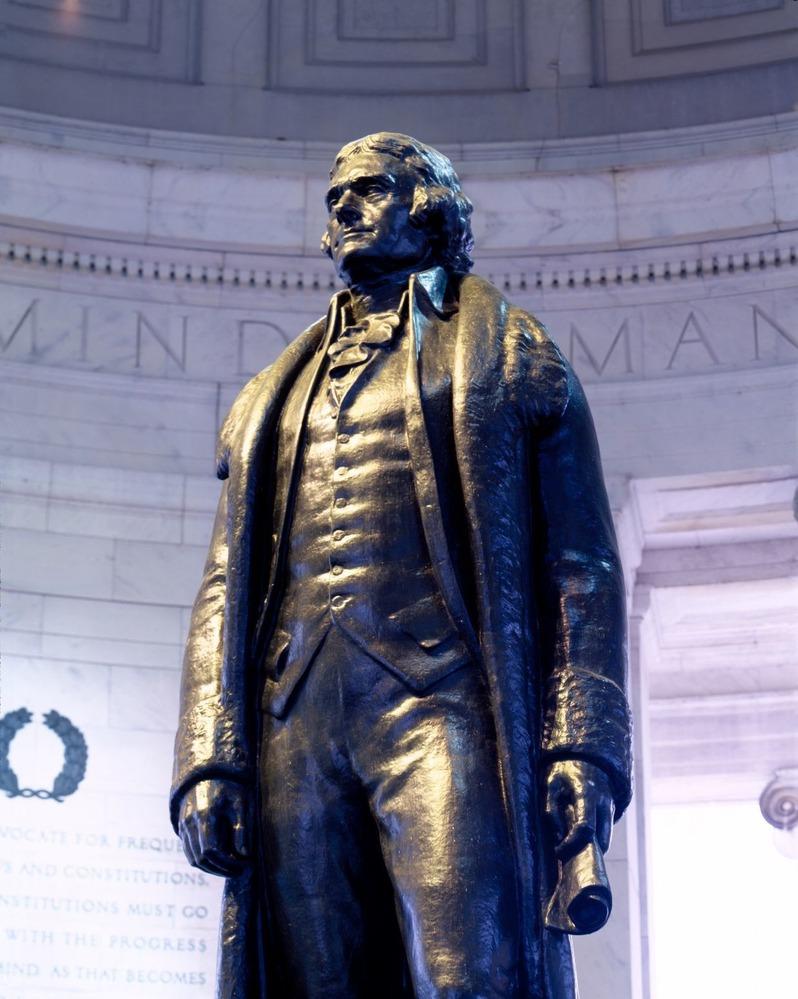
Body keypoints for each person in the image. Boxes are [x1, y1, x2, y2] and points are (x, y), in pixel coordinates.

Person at [170, 133, 632, 999]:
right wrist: (207, 758)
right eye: (333, 198)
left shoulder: (505, 349)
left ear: (427, 205)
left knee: (469, 977)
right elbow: (223, 583)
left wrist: (584, 747)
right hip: (291, 723)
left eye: (368, 189)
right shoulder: (272, 388)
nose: (342, 207)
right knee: (315, 984)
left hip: (439, 706)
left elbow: (583, 568)